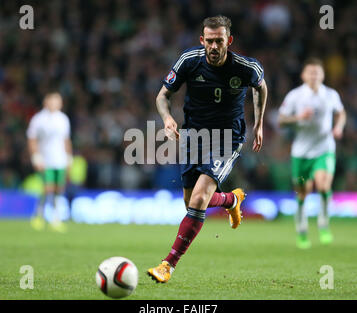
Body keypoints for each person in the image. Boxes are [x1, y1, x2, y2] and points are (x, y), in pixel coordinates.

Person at [147, 15, 267, 282]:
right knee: (191, 202)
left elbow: (261, 87)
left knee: (199, 200)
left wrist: (259, 123)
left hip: (227, 137)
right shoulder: (189, 61)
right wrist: (167, 118)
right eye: (209, 41)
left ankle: (168, 265)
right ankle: (231, 200)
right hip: (193, 135)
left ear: (229, 41)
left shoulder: (245, 67)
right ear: (202, 40)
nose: (214, 46)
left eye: (219, 41)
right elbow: (162, 96)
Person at [278, 58, 346, 249]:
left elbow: (341, 113)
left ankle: (324, 225)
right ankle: (302, 231)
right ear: (303, 75)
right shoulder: (295, 96)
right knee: (302, 193)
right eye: (311, 72)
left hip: (324, 149)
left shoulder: (330, 94)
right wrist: (298, 117)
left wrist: (339, 126)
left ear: (323, 75)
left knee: (324, 187)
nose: (314, 76)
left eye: (317, 73)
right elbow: (281, 120)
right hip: (301, 152)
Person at [27, 91, 73, 233]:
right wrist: (35, 156)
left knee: (59, 188)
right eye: (53, 101)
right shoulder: (38, 119)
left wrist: (69, 157)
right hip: (45, 159)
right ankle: (39, 216)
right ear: (46, 102)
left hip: (60, 159)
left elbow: (66, 140)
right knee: (48, 187)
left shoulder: (63, 119)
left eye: (58, 101)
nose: (55, 104)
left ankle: (55, 217)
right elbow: (32, 139)